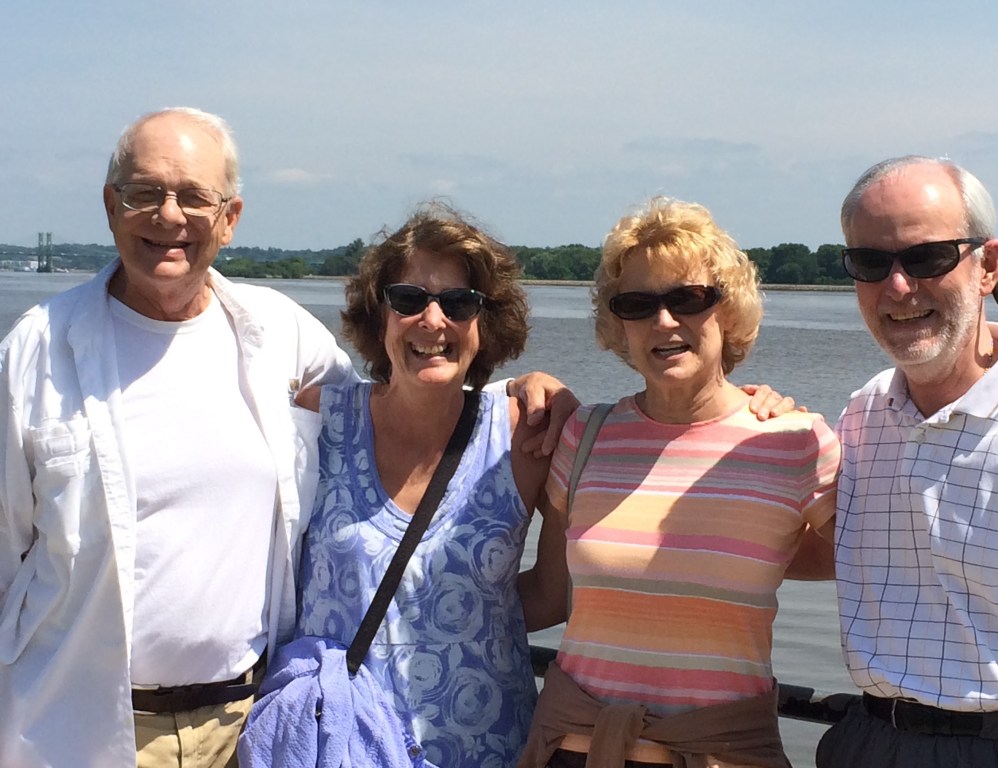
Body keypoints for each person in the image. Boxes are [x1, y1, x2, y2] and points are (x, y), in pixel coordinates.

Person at [0, 108, 573, 768]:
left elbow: (548, 588)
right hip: (86, 728)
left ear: (230, 218)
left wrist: (537, 388)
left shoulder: (281, 336)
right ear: (111, 205)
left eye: (194, 196)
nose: (169, 215)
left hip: (251, 727)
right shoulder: (35, 353)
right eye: (145, 192)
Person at [239, 204, 565, 768]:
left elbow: (554, 595)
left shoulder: (525, 436)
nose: (432, 321)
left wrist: (460, 618)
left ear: (485, 322)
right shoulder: (318, 420)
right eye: (409, 299)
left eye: (458, 303)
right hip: (340, 747)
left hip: (487, 749)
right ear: (380, 315)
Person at [519, 197, 841, 768]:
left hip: (720, 754)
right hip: (570, 750)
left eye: (688, 298)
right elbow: (546, 594)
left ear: (729, 308)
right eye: (638, 305)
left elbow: (876, 569)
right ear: (617, 323)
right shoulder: (583, 437)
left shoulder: (794, 441)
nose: (664, 321)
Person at [815, 156, 998, 767]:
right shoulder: (864, 413)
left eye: (927, 258)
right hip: (867, 740)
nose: (899, 287)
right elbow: (817, 545)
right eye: (871, 263)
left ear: (988, 266)